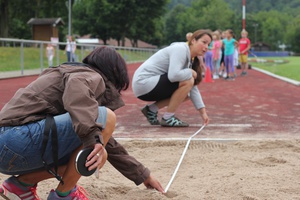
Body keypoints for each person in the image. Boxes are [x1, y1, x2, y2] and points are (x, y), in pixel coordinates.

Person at [0, 46, 164, 200]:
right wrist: (93, 138)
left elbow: (104, 141)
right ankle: (64, 195)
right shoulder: (88, 75)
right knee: (106, 118)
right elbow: (79, 100)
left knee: (97, 152)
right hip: (13, 140)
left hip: (10, 148)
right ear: (114, 74)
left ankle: (21, 185)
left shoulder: (73, 72)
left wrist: (143, 175)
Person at [132, 29, 211, 127]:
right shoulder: (180, 49)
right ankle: (168, 118)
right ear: (193, 40)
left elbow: (192, 87)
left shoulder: (188, 58)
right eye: (204, 42)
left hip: (148, 86)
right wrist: (190, 72)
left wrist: (203, 113)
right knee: (188, 81)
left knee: (187, 91)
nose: (206, 47)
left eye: (208, 44)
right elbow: (173, 76)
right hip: (143, 84)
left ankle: (151, 110)